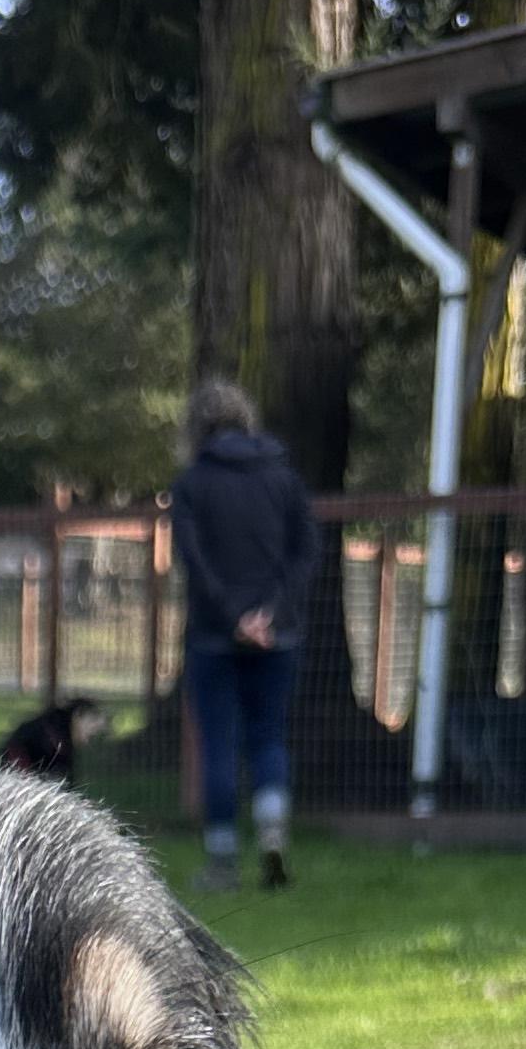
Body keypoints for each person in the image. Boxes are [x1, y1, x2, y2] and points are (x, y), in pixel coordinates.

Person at [169, 378, 318, 891]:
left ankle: (222, 861)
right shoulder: (285, 479)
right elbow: (304, 553)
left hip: (213, 636)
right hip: (278, 637)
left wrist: (235, 617)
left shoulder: (192, 485)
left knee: (219, 744)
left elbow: (195, 561)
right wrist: (268, 614)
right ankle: (273, 835)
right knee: (268, 737)